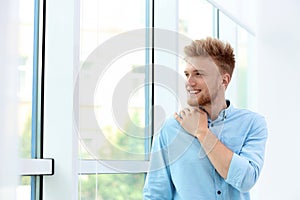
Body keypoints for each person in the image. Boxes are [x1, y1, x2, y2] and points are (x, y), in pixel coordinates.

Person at [143, 37, 268, 199]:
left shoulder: (252, 124)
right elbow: (155, 195)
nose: (189, 82)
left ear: (224, 80)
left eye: (198, 74)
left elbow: (246, 180)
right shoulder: (170, 129)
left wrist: (202, 132)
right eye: (187, 74)